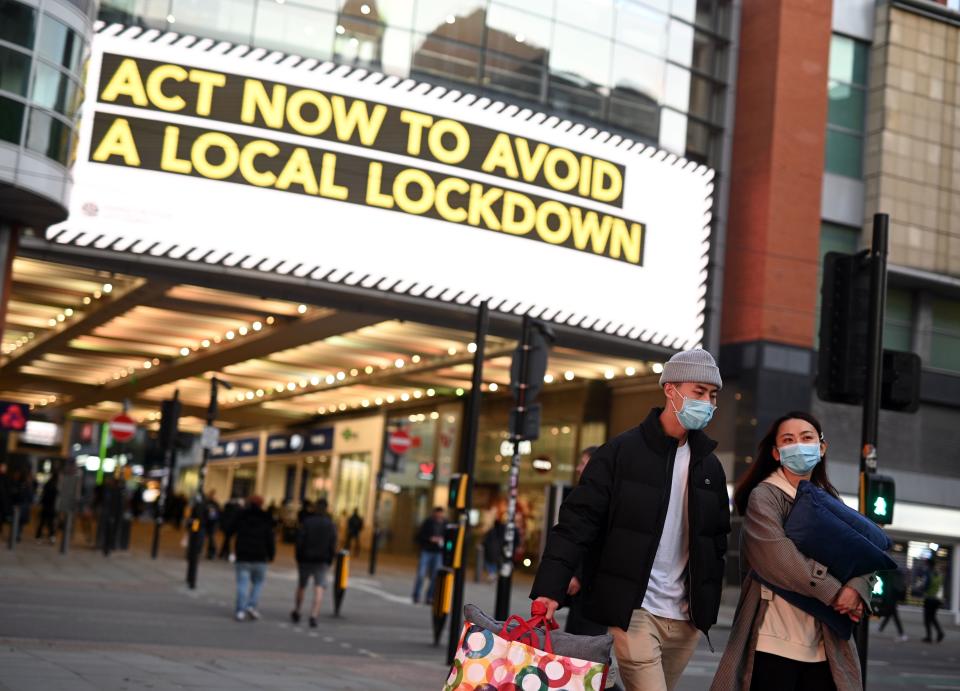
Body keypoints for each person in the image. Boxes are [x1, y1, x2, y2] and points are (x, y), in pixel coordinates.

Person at [532, 348, 730, 691]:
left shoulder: (709, 467)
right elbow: (577, 523)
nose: (708, 403)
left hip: (685, 618)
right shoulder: (620, 453)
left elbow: (715, 541)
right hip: (634, 611)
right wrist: (550, 589)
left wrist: (706, 606)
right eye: (699, 392)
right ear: (671, 389)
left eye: (712, 395)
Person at [711, 412, 874, 691]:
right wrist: (836, 592)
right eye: (788, 440)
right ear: (776, 453)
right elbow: (779, 557)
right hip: (772, 641)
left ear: (822, 447)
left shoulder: (830, 499)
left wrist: (857, 589)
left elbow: (862, 551)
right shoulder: (765, 496)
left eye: (807, 438)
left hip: (825, 644)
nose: (798, 445)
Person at [291, 499, 338, 628]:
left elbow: (300, 541)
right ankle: (314, 615)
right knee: (319, 588)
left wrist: (299, 556)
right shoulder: (330, 524)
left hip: (306, 558)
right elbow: (333, 543)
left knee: (302, 585)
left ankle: (298, 610)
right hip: (322, 560)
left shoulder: (307, 522)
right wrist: (330, 559)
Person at [233, 495, 275, 621]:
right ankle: (251, 605)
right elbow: (270, 538)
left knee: (242, 583)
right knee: (258, 583)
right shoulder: (266, 517)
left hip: (243, 554)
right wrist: (271, 554)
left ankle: (240, 610)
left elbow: (230, 528)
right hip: (260, 555)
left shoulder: (242, 515)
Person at [412, 507, 446, 604]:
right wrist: (430, 539)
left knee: (435, 576)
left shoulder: (445, 524)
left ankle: (430, 597)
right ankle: (416, 595)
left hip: (438, 552)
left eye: (441, 514)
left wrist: (442, 540)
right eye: (438, 514)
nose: (439, 516)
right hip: (427, 550)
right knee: (421, 574)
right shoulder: (428, 522)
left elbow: (449, 537)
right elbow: (419, 536)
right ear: (434, 513)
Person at [877, 567, 908, 642]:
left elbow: (889, 588)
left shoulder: (890, 574)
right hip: (892, 599)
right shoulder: (895, 575)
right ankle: (881, 628)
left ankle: (902, 633)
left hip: (890, 599)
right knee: (890, 614)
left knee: (893, 615)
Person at [921, 559, 946, 643]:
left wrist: (920, 589)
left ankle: (929, 637)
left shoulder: (928, 573)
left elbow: (926, 585)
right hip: (937, 600)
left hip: (929, 599)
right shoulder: (939, 574)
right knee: (932, 617)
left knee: (927, 619)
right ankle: (940, 633)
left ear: (928, 564)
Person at [35, 473, 59, 543]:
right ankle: (51, 536)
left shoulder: (48, 484)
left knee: (43, 522)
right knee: (49, 522)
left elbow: (44, 495)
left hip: (46, 506)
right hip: (50, 507)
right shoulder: (54, 486)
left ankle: (39, 536)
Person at [482, 513, 505, 583]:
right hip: (497, 550)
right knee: (494, 562)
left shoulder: (491, 531)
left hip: (490, 549)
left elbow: (486, 540)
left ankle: (492, 574)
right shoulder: (501, 531)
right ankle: (493, 574)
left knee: (488, 562)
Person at [202, 490, 221, 559]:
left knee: (211, 539)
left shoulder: (214, 504)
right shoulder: (206, 503)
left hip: (211, 525)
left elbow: (215, 516)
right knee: (203, 538)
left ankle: (211, 553)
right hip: (205, 524)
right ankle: (198, 551)